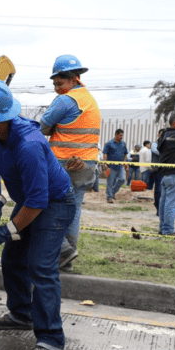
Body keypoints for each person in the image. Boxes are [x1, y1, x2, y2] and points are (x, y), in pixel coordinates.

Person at [0, 79, 81, 350]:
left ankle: (51, 341)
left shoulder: (29, 144)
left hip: (55, 203)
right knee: (13, 258)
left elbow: (38, 201)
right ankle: (22, 314)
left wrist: (8, 229)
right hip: (30, 201)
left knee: (41, 266)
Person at [39, 55, 101, 272]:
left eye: (60, 83)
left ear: (74, 79)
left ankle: (63, 250)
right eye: (55, 84)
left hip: (64, 164)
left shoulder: (66, 100)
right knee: (72, 211)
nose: (57, 88)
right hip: (87, 165)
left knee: (44, 207)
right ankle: (67, 260)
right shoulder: (89, 100)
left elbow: (42, 128)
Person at [102, 129, 128, 203]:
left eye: (122, 135)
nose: (121, 137)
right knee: (110, 182)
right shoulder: (109, 143)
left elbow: (125, 154)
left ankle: (112, 192)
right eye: (120, 135)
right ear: (116, 134)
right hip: (111, 166)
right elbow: (105, 154)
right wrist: (105, 163)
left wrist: (125, 162)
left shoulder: (123, 144)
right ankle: (109, 197)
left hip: (120, 166)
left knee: (122, 179)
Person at [150, 129, 165, 216]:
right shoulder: (154, 144)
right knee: (159, 189)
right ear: (158, 135)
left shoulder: (167, 145)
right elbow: (159, 153)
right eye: (161, 134)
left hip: (166, 170)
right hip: (158, 170)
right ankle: (158, 207)